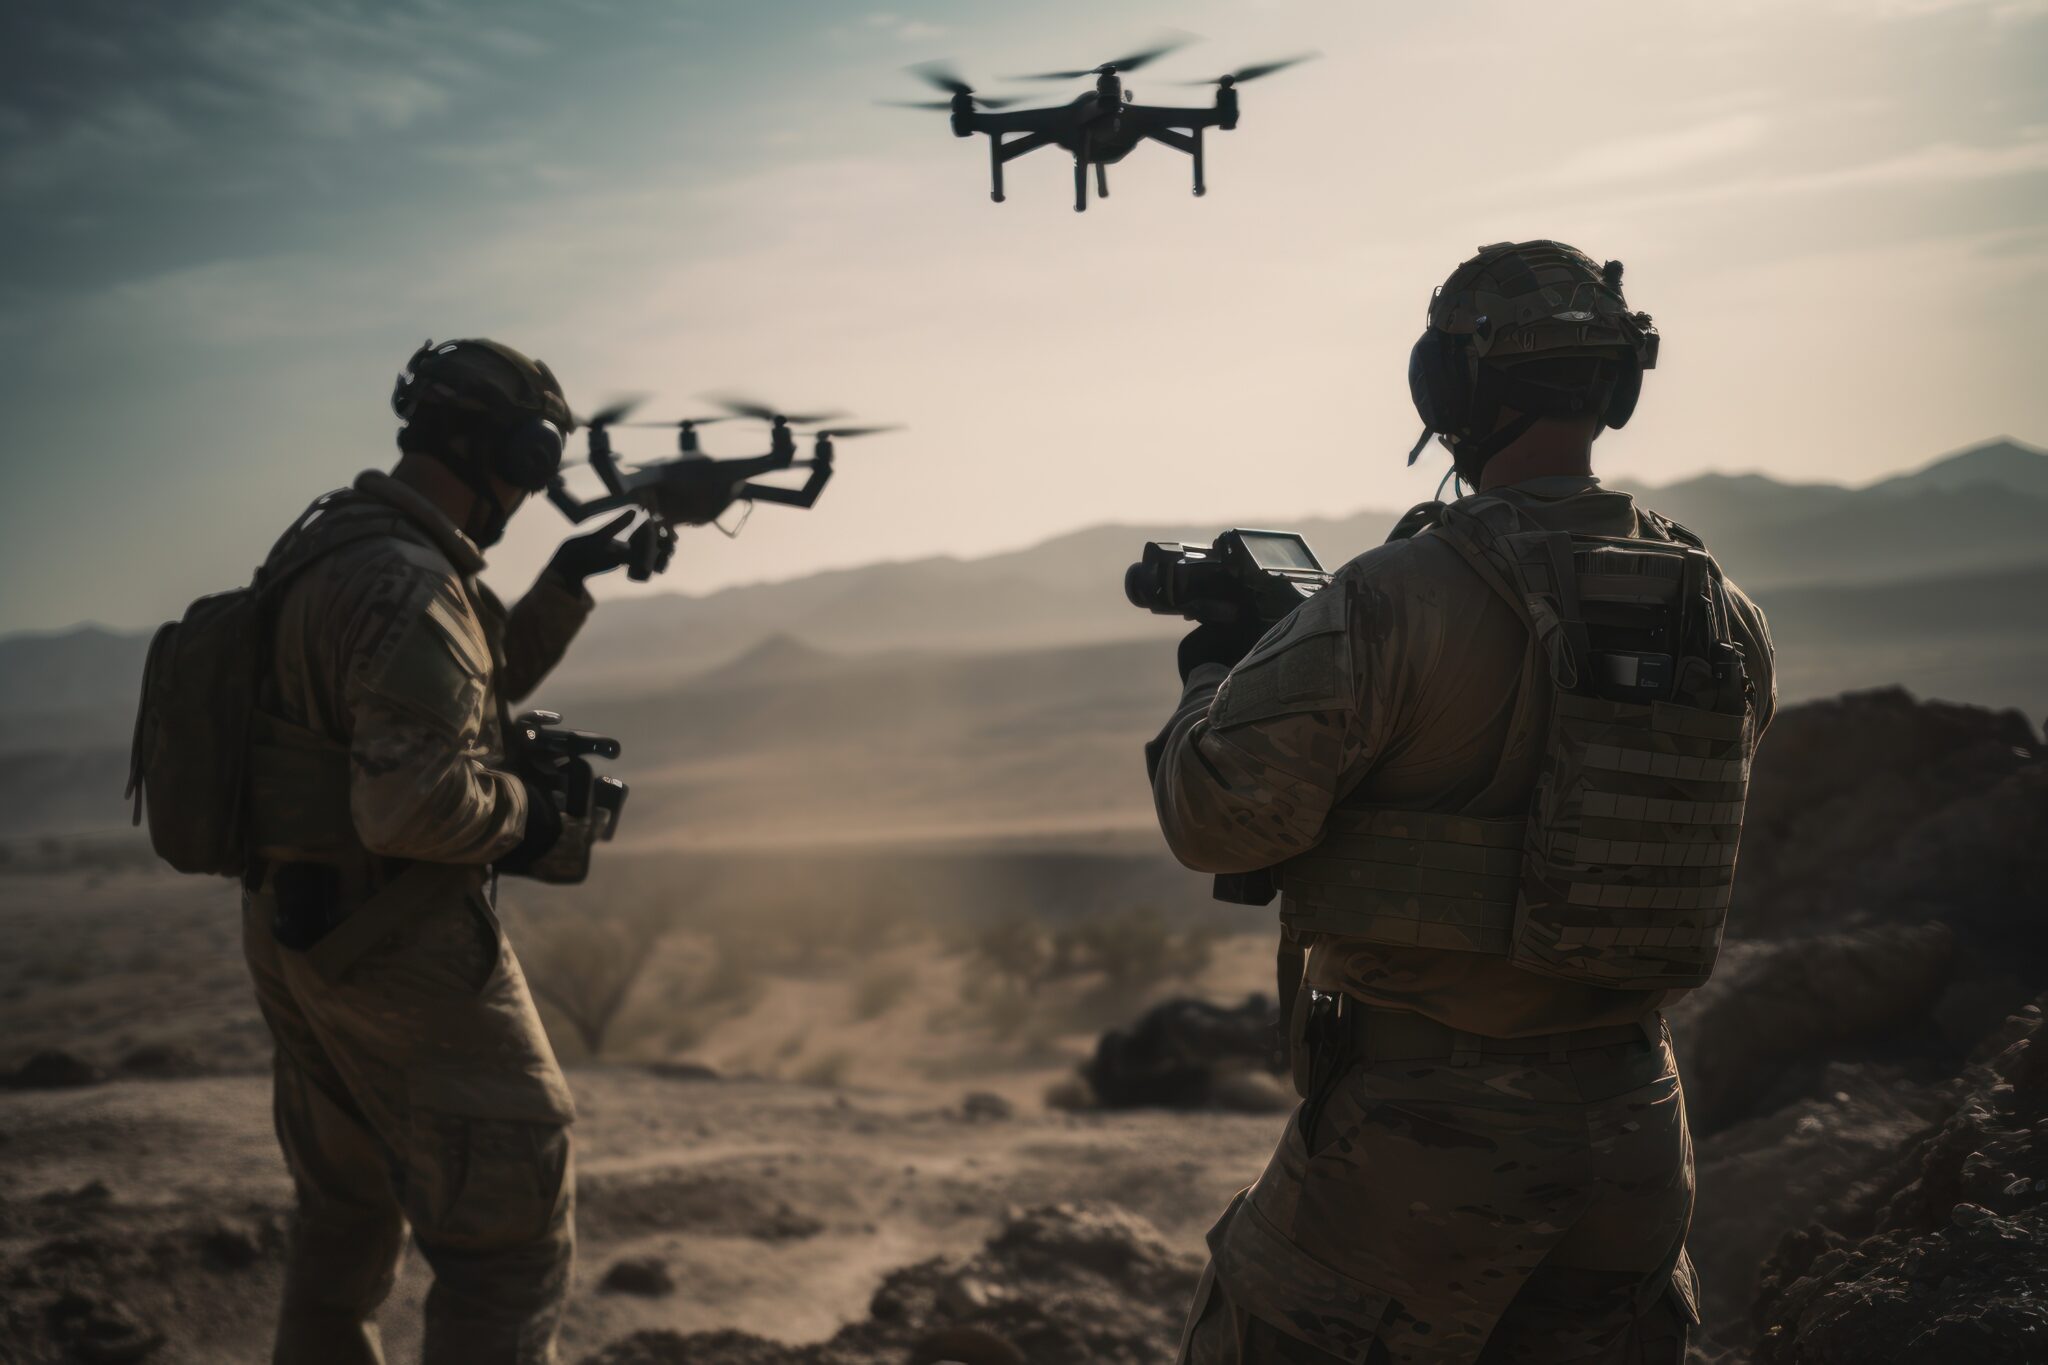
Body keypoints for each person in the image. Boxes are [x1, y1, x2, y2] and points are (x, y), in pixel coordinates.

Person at [1152, 242, 1776, 1364]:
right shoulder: (1719, 608)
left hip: (1426, 1140)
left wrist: (1214, 676)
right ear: (1616, 386)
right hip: (1637, 1135)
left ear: (1447, 390)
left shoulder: (1392, 599)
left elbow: (1219, 818)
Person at [238, 339, 673, 1365]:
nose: (532, 493)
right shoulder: (410, 585)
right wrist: (528, 816)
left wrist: (566, 577)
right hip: (397, 942)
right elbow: (409, 802)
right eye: (537, 463)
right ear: (511, 452)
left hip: (297, 930)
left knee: (344, 1222)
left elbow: (465, 691)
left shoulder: (330, 548)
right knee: (508, 1247)